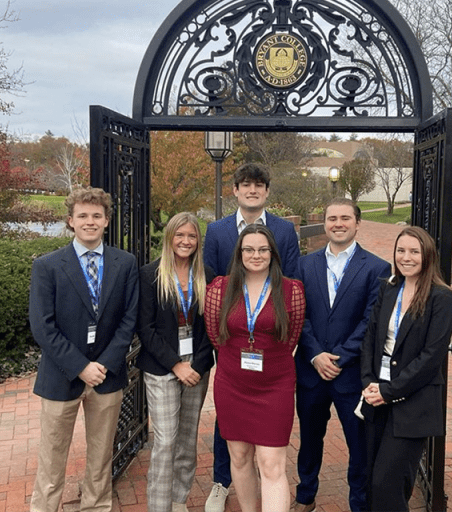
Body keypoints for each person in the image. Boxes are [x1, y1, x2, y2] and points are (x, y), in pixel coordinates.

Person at [28, 187, 140, 512]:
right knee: (51, 462)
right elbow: (43, 326)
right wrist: (81, 367)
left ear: (106, 220)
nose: (89, 222)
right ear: (70, 221)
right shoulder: (47, 266)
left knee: (101, 458)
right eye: (82, 216)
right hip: (60, 377)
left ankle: (96, 507)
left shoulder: (125, 263)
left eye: (96, 216)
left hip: (107, 376)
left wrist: (102, 365)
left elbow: (129, 319)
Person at [202, 162, 301, 512]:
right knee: (239, 457)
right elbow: (215, 325)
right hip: (233, 376)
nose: (255, 254)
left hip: (273, 376)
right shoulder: (216, 232)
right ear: (235, 190)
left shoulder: (285, 233)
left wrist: (267, 344)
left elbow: (293, 328)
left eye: (259, 184)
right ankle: (222, 486)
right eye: (246, 184)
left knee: (272, 464)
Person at [293, 198, 390, 512]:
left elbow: (371, 320)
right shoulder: (304, 265)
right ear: (324, 224)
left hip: (351, 375)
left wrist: (339, 357)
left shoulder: (377, 268)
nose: (338, 223)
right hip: (311, 371)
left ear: (357, 223)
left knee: (358, 446)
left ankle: (359, 503)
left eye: (345, 218)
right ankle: (305, 496)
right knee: (309, 441)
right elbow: (298, 314)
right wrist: (316, 354)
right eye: (332, 218)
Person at [360, 226, 452, 512]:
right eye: (401, 250)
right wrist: (368, 381)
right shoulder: (388, 287)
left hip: (413, 403)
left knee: (386, 484)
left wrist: (389, 391)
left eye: (414, 251)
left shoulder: (442, 297)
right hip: (376, 396)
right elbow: (371, 337)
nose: (406, 257)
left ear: (427, 256)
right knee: (373, 483)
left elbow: (431, 358)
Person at [136, 212, 215, 512]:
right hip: (162, 368)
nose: (185, 241)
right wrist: (175, 365)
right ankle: (159, 507)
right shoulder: (150, 274)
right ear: (169, 237)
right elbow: (145, 328)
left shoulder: (206, 273)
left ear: (198, 240)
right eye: (179, 235)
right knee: (166, 442)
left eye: (191, 236)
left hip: (197, 369)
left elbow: (212, 328)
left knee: (187, 440)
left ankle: (179, 501)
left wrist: (198, 365)